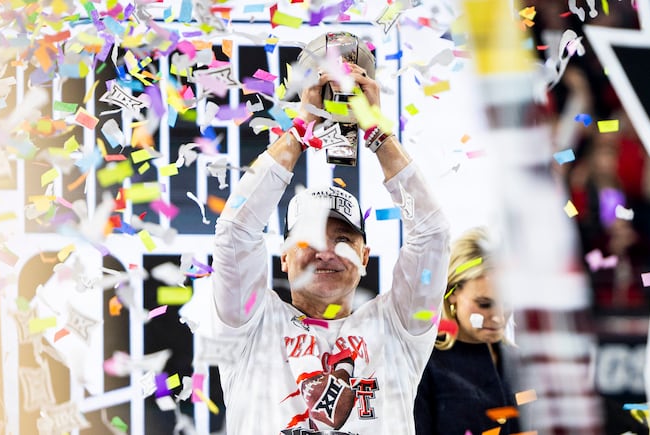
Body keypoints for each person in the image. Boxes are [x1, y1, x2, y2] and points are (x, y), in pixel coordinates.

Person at [204, 32, 451, 434]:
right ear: (284, 256)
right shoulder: (248, 325)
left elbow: (433, 234)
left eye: (343, 239)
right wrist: (301, 130)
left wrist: (377, 132)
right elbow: (235, 231)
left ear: (364, 256)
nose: (327, 251)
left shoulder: (400, 329)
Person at [414, 227, 520, 434]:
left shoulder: (521, 362)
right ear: (451, 292)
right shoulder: (424, 364)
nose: (499, 317)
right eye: (484, 304)